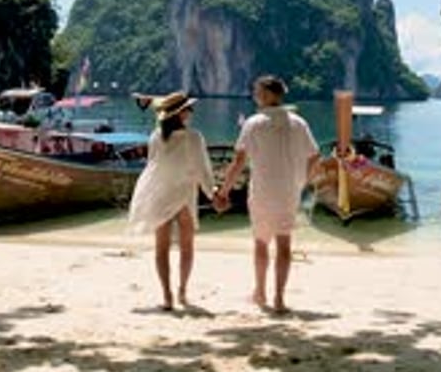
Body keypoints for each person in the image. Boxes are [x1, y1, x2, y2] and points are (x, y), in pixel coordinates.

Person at [216, 75, 319, 314]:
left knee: (261, 242)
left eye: (258, 91)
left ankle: (260, 292)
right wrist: (302, 182)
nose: (255, 95)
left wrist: (223, 191)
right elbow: (314, 157)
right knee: (284, 244)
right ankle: (280, 298)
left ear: (270, 94)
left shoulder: (253, 123)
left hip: (262, 190)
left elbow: (239, 162)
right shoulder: (298, 122)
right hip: (288, 191)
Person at [128, 91, 216, 310]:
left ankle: (167, 296)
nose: (192, 112)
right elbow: (202, 170)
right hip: (184, 195)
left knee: (161, 249)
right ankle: (182, 292)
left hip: (159, 194)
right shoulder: (194, 137)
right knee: (187, 247)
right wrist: (213, 193)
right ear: (182, 113)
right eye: (189, 108)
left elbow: (152, 166)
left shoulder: (157, 136)